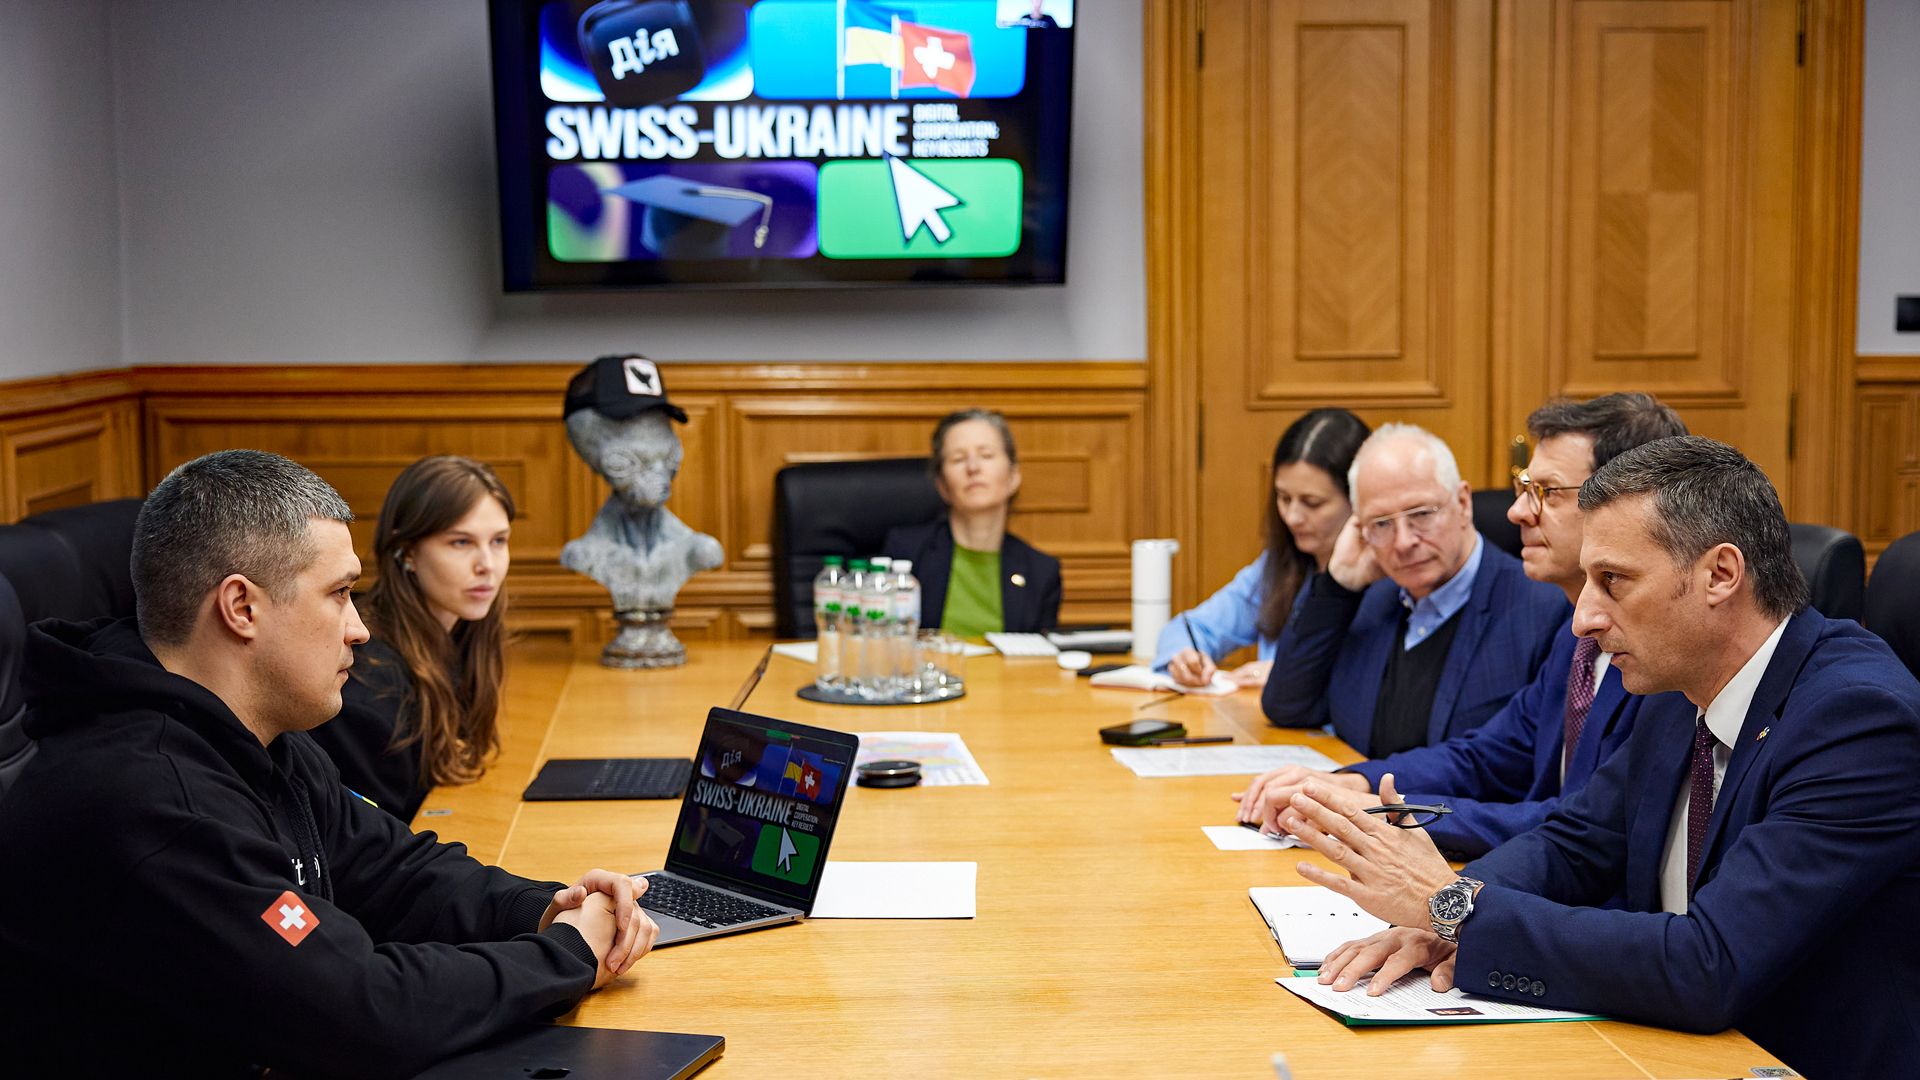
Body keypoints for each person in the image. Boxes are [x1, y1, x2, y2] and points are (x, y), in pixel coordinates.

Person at [1277, 436, 1920, 1079]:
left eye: (1613, 581)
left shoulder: (1856, 719)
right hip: (1671, 1051)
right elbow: (1576, 842)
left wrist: (1454, 906)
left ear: (1720, 575)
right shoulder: (1680, 684)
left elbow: (1711, 963)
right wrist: (1445, 917)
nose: (1583, 618)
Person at [0, 450, 658, 1077]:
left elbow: (396, 870)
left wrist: (548, 907)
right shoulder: (150, 802)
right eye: (339, 594)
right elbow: (360, 1013)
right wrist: (566, 954)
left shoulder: (254, 735)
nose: (360, 629)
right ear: (241, 607)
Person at [1235, 394, 1687, 856]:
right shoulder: (1574, 637)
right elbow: (1489, 754)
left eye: (1547, 492)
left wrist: (1389, 814)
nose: (1517, 512)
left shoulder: (1662, 657)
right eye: (1381, 524)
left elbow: (1587, 828)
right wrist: (1355, 784)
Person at [1261, 423, 1569, 755]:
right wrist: (1338, 586)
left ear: (1463, 503)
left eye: (1421, 514)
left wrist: (1366, 781)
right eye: (1381, 523)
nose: (1403, 542)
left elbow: (1518, 763)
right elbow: (1288, 706)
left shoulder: (1542, 610)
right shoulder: (1369, 598)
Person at [309, 455, 514, 823]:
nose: (487, 564)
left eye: (499, 541)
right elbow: (375, 832)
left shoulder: (464, 633)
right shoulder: (370, 681)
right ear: (406, 552)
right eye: (461, 542)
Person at [1153, 408, 1370, 689]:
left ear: (1358, 500)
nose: (1292, 517)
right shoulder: (1279, 568)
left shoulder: (1384, 579)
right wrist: (1184, 657)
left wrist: (1288, 676)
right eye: (1284, 498)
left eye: (1312, 503)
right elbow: (1191, 628)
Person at [884, 408, 1062, 638]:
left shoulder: (1041, 571)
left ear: (1013, 476)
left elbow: (1039, 655)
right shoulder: (907, 552)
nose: (973, 468)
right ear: (942, 485)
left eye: (986, 455)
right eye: (958, 459)